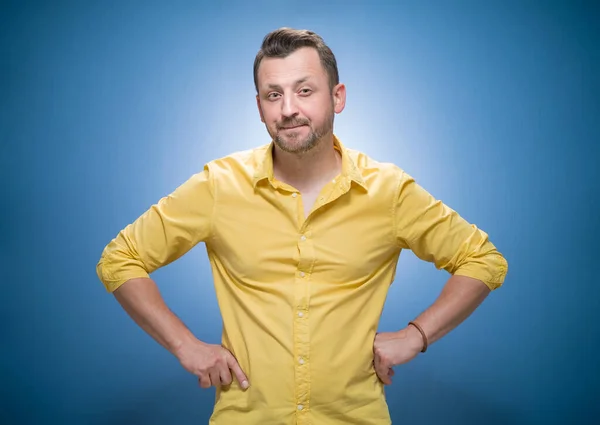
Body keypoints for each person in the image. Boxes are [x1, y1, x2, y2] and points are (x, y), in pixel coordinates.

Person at [96, 27, 508, 424]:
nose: (288, 108)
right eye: (273, 95)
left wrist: (417, 335)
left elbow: (483, 260)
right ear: (259, 107)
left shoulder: (389, 191)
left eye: (304, 90)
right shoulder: (219, 186)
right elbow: (120, 259)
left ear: (337, 96)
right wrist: (184, 345)